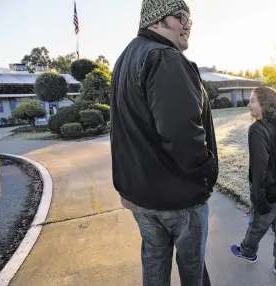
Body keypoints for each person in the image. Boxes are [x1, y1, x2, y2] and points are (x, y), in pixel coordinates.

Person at [110, 1, 218, 285]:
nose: (187, 25)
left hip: (142, 197)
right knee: (193, 271)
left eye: (189, 19)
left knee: (154, 265)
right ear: (155, 22)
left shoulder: (124, 59)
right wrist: (207, 172)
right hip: (178, 196)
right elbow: (182, 133)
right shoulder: (164, 57)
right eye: (180, 17)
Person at [230, 86, 276, 285]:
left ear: (264, 104)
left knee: (257, 225)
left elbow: (259, 169)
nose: (248, 104)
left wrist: (259, 198)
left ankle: (248, 252)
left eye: (252, 100)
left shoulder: (257, 129)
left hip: (268, 192)